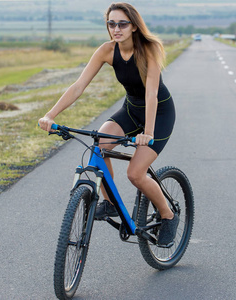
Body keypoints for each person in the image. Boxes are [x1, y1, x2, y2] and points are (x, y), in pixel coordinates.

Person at [38, 2, 177, 247]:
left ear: (134, 26)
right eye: (111, 23)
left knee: (135, 174)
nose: (116, 28)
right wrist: (50, 115)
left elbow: (151, 94)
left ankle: (168, 215)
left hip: (159, 113)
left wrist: (149, 133)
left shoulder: (149, 50)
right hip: (132, 110)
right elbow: (78, 86)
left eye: (122, 23)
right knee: (99, 145)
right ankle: (110, 203)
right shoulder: (106, 50)